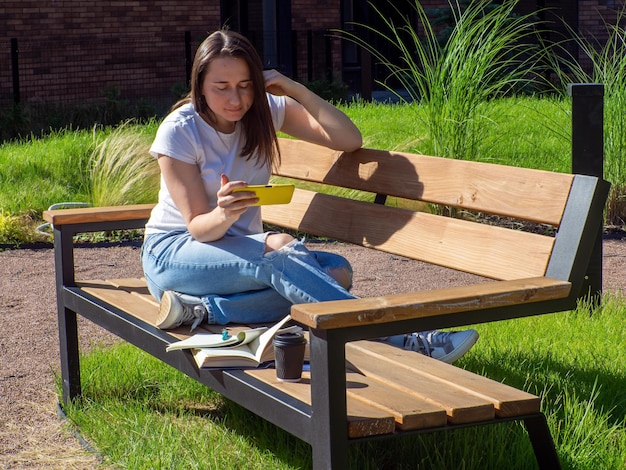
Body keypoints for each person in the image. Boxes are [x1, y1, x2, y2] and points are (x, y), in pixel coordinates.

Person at [140, 29, 478, 364]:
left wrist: (294, 89)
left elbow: (348, 138)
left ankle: (200, 310)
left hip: (235, 258)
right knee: (282, 251)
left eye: (245, 86)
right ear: (199, 85)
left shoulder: (264, 111)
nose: (236, 99)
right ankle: (399, 336)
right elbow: (199, 228)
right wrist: (225, 213)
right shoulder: (180, 130)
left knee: (336, 272)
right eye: (221, 87)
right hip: (173, 253)